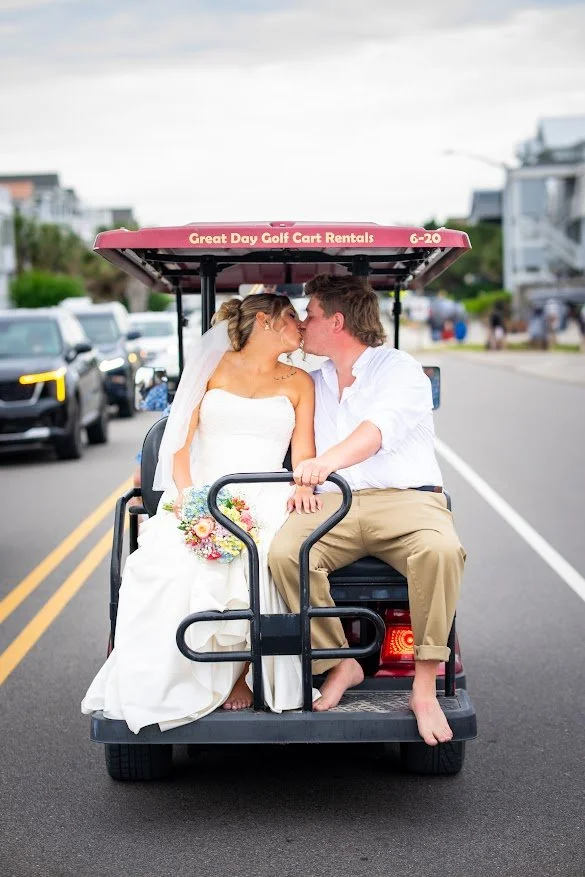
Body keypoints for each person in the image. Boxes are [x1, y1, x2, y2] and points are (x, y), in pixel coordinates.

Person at [82, 293, 324, 732]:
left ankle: (241, 674)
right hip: (204, 490)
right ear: (266, 321)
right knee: (172, 562)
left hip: (268, 493)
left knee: (268, 553)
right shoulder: (211, 369)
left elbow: (303, 454)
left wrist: (304, 484)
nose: (301, 325)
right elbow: (178, 444)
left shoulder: (299, 381)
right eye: (293, 317)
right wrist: (191, 500)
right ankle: (187, 670)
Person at [268, 274, 466, 746]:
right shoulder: (310, 381)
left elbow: (376, 432)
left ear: (336, 321)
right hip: (335, 504)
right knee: (284, 554)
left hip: (407, 501)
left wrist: (321, 464)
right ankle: (342, 661)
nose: (302, 323)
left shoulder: (399, 370)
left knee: (441, 551)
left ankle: (423, 687)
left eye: (309, 315)